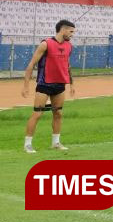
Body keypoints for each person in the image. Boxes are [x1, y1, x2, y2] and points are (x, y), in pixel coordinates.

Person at [21, 19, 77, 153]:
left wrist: (72, 83)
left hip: (60, 85)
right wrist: (26, 85)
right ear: (63, 30)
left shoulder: (69, 46)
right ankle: (27, 144)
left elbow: (67, 66)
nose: (72, 34)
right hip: (44, 84)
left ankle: (56, 143)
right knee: (37, 114)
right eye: (71, 31)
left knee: (58, 113)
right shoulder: (45, 44)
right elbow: (31, 65)